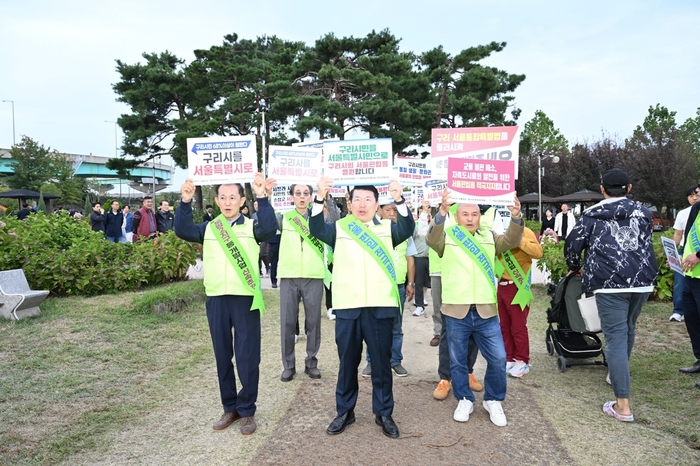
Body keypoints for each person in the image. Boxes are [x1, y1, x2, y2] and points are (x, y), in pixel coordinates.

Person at [309, 177, 414, 439]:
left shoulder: (390, 229)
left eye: (368, 199)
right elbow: (315, 228)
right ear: (350, 203)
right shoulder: (339, 228)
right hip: (348, 306)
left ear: (377, 204)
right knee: (348, 363)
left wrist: (399, 198)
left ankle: (384, 412)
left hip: (380, 306)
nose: (362, 204)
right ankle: (345, 411)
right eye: (357, 199)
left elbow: (408, 227)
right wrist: (319, 198)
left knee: (380, 363)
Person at [174, 173, 278, 435]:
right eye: (223, 197)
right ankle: (229, 407)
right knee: (223, 355)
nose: (228, 201)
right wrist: (185, 202)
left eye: (233, 197)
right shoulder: (208, 228)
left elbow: (268, 228)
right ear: (217, 201)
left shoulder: (251, 226)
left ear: (242, 200)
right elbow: (182, 230)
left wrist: (262, 197)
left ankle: (247, 410)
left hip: (245, 299)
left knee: (247, 356)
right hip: (217, 299)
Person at [565, 168, 658, 421]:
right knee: (628, 327)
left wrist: (576, 267)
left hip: (608, 282)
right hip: (641, 282)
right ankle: (615, 373)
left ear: (602, 189)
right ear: (628, 188)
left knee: (616, 336)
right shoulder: (644, 213)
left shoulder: (591, 214)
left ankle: (623, 406)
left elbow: (573, 246)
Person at [426, 191, 523, 427]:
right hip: (456, 309)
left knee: (498, 358)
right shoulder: (447, 237)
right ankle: (464, 399)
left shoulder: (489, 237)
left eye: (475, 214)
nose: (470, 218)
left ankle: (493, 400)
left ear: (481, 217)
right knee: (458, 361)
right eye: (465, 214)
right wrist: (441, 212)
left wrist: (517, 217)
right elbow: (431, 240)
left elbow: (511, 241)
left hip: (485, 310)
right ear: (457, 217)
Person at [277, 184, 335, 382]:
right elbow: (264, 224)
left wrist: (327, 195)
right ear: (292, 196)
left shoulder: (319, 217)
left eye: (306, 193)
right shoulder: (283, 218)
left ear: (311, 197)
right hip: (289, 275)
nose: (302, 197)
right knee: (287, 322)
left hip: (313, 275)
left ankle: (311, 362)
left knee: (313, 322)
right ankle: (288, 365)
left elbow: (336, 219)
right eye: (298, 193)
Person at [362, 199, 416, 378]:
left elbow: (409, 259)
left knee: (396, 327)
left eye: (394, 209)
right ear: (379, 210)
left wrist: (410, 283)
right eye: (388, 209)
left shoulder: (404, 233)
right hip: (376, 286)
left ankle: (395, 361)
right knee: (373, 326)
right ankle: (371, 362)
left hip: (398, 287)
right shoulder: (371, 231)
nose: (392, 213)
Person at [497, 226, 543, 378]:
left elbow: (538, 253)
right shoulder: (496, 230)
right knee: (504, 325)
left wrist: (518, 240)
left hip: (518, 286)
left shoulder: (525, 231)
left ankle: (522, 360)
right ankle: (509, 357)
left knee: (518, 326)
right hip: (502, 285)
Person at [679, 184, 700, 390]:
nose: (697, 192)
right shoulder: (696, 208)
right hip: (690, 275)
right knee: (693, 320)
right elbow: (689, 236)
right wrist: (679, 255)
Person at [670, 185, 700, 322]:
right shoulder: (684, 213)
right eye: (691, 195)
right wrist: (673, 253)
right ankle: (678, 311)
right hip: (685, 250)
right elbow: (679, 234)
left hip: (696, 253)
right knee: (681, 282)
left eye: (697, 194)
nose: (695, 197)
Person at [412, 200, 431, 317]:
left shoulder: (433, 223)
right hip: (418, 257)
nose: (427, 211)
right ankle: (419, 304)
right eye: (425, 209)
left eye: (429, 209)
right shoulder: (417, 224)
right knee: (418, 281)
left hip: (431, 258)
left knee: (426, 281)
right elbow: (417, 234)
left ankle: (423, 299)